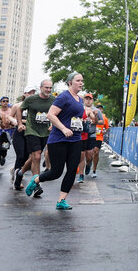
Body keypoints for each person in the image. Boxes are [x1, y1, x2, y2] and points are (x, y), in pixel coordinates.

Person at [25, 73, 87, 210]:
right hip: (59, 139)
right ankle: (35, 180)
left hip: (75, 138)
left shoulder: (80, 99)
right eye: (78, 81)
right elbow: (50, 114)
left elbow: (70, 117)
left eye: (82, 81)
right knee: (56, 172)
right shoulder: (64, 96)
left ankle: (61, 201)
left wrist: (81, 122)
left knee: (72, 171)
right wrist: (63, 128)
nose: (81, 83)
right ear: (70, 82)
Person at [16, 79, 54, 190]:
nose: (48, 90)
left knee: (34, 157)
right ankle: (36, 184)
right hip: (31, 130)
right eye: (46, 87)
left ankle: (20, 172)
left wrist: (54, 125)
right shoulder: (31, 99)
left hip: (45, 131)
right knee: (37, 156)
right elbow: (19, 109)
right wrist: (19, 124)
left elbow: (58, 112)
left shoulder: (53, 100)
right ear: (41, 87)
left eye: (50, 88)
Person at [92, 105, 109, 176]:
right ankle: (88, 163)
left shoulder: (104, 118)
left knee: (96, 152)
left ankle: (94, 170)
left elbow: (107, 128)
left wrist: (104, 131)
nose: (99, 110)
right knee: (89, 154)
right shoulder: (91, 116)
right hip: (91, 136)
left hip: (99, 137)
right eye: (98, 109)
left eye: (101, 109)